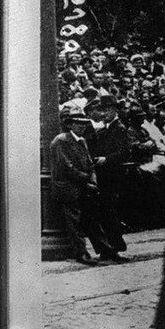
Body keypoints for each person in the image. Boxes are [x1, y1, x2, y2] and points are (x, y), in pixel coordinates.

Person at [50, 107, 121, 265]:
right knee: (75, 222)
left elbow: (89, 164)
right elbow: (66, 167)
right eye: (78, 123)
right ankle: (81, 253)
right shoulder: (61, 140)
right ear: (70, 125)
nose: (82, 126)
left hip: (82, 185)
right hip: (69, 188)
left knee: (92, 218)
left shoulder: (81, 140)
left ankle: (106, 250)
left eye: (83, 123)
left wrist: (92, 181)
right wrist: (87, 181)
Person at [87, 95, 137, 254]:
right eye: (101, 110)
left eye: (106, 110)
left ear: (115, 110)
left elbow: (124, 152)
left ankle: (115, 244)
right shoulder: (106, 129)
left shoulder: (120, 128)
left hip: (113, 174)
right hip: (106, 174)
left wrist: (106, 159)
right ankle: (114, 244)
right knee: (106, 210)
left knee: (109, 210)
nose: (103, 114)